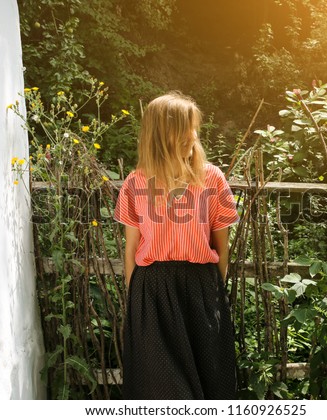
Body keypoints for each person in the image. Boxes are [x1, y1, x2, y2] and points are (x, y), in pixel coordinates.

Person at [114, 91, 239, 400]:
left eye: (194, 127)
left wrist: (211, 292)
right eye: (184, 128)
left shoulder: (212, 179)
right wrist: (138, 303)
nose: (192, 136)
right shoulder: (135, 183)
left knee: (209, 384)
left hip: (200, 288)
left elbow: (222, 249)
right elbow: (131, 251)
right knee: (163, 388)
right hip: (152, 292)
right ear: (160, 134)